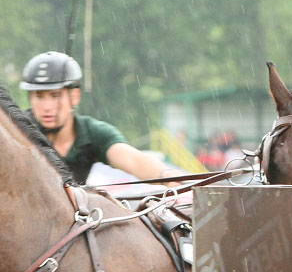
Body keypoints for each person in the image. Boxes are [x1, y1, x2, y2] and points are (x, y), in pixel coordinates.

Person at [20, 51, 179, 185]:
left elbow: (133, 160)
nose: (47, 106)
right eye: (39, 96)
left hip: (72, 218)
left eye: (55, 96)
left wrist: (171, 178)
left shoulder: (92, 132)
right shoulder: (17, 129)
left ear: (74, 96)